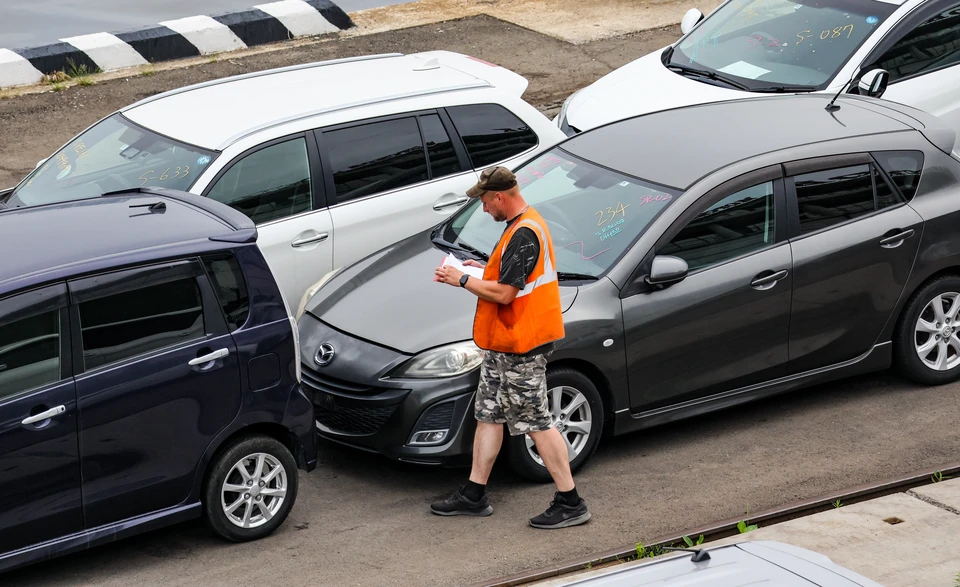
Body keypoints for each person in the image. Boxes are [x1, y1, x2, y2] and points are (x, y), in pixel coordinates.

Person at [430, 165, 590, 529]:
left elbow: (506, 293)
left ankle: (571, 501)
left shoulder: (525, 233)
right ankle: (474, 494)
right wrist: (483, 267)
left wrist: (463, 278)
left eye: (486, 202)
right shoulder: (519, 226)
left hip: (523, 347)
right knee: (489, 414)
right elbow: (510, 275)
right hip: (504, 345)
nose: (484, 210)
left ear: (500, 197)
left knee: (537, 422)